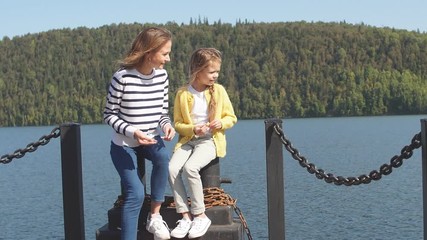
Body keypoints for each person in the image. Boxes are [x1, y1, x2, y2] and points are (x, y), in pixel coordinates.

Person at [103, 27, 176, 240]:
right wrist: (133, 132)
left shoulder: (162, 76)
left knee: (163, 158)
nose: (168, 59)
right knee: (134, 194)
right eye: (164, 53)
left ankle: (154, 216)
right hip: (123, 146)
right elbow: (109, 115)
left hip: (150, 139)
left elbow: (162, 112)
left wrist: (166, 125)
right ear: (149, 52)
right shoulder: (122, 77)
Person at [168, 48, 237, 239]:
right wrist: (193, 129)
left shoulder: (219, 91)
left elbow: (231, 118)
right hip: (189, 140)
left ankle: (200, 215)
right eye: (211, 72)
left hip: (210, 140)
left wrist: (220, 123)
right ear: (197, 70)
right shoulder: (182, 93)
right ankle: (185, 216)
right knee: (172, 169)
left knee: (190, 168)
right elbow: (178, 124)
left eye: (217, 72)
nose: (215, 75)